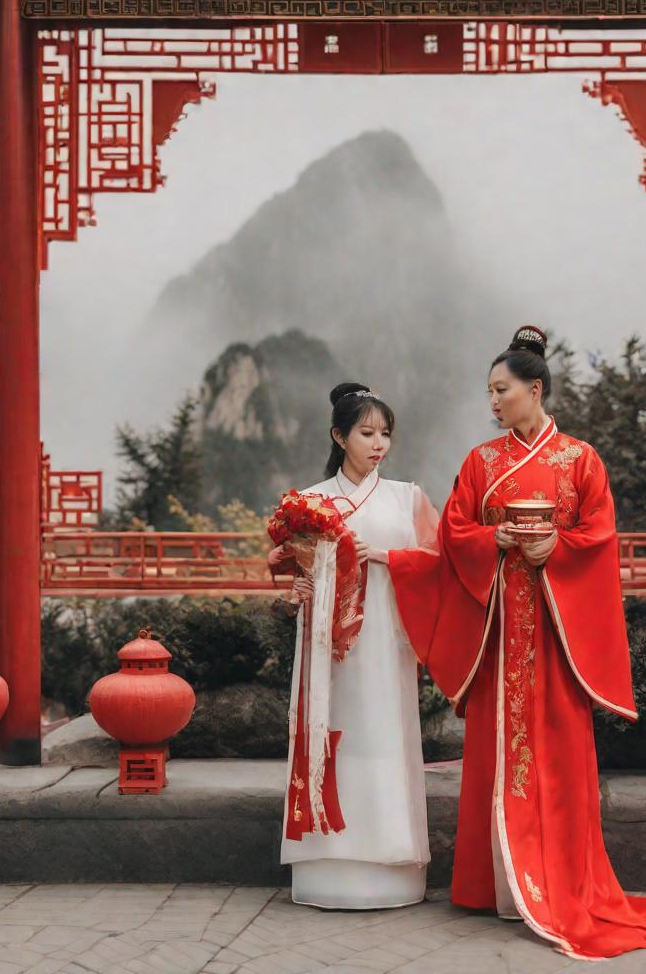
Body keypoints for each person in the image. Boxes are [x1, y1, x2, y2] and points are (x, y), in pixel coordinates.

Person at [388, 326, 646, 959]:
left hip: (554, 633)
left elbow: (600, 536)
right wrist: (496, 541)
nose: (492, 401)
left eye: (502, 390)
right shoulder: (481, 462)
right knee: (497, 756)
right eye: (488, 391)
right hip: (498, 634)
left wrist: (555, 548)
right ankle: (499, 887)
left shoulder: (581, 460)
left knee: (559, 760)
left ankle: (560, 884)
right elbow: (457, 529)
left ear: (534, 389)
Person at [269, 382, 438, 910]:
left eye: (385, 433)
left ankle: (393, 863)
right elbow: (289, 568)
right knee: (331, 732)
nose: (379, 443)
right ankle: (326, 864)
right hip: (327, 647)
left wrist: (384, 553)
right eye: (367, 433)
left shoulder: (407, 496)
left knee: (385, 735)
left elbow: (437, 563)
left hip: (385, 643)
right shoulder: (311, 501)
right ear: (339, 436)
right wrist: (299, 586)